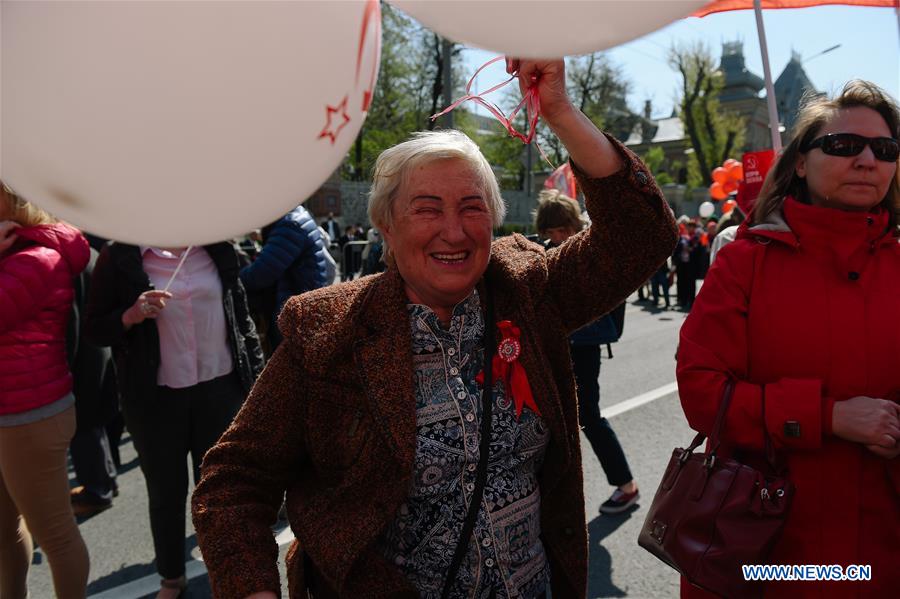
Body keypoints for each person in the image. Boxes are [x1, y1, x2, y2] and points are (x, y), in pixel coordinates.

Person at [192, 57, 677, 599]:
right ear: (386, 225)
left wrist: (558, 110)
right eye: (427, 208)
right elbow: (234, 481)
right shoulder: (328, 330)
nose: (454, 231)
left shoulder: (527, 289)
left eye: (473, 207)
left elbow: (642, 233)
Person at [677, 80, 900, 597]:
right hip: (765, 554)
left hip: (883, 555)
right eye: (845, 146)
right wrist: (827, 416)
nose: (867, 160)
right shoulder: (744, 260)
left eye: (884, 149)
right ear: (800, 162)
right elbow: (701, 392)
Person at [85, 240, 264, 598]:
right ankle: (172, 577)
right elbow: (94, 329)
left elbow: (241, 318)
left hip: (219, 389)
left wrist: (257, 380)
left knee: (219, 493)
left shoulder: (218, 248)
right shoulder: (121, 255)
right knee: (165, 492)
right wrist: (130, 315)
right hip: (154, 398)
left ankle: (225, 573)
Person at [0, 184, 90, 599]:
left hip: (27, 417)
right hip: (16, 413)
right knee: (4, 531)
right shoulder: (20, 254)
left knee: (55, 535)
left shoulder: (37, 259)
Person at [534, 190, 640, 516]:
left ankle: (626, 485)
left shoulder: (590, 253)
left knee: (588, 417)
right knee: (546, 419)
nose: (557, 236)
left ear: (573, 224)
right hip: (553, 344)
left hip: (584, 347)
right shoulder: (543, 254)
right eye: (550, 231)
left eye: (562, 229)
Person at [239, 203, 329, 352]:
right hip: (302, 307)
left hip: (294, 314)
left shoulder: (290, 224)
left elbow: (261, 274)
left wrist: (233, 279)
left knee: (289, 368)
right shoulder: (296, 217)